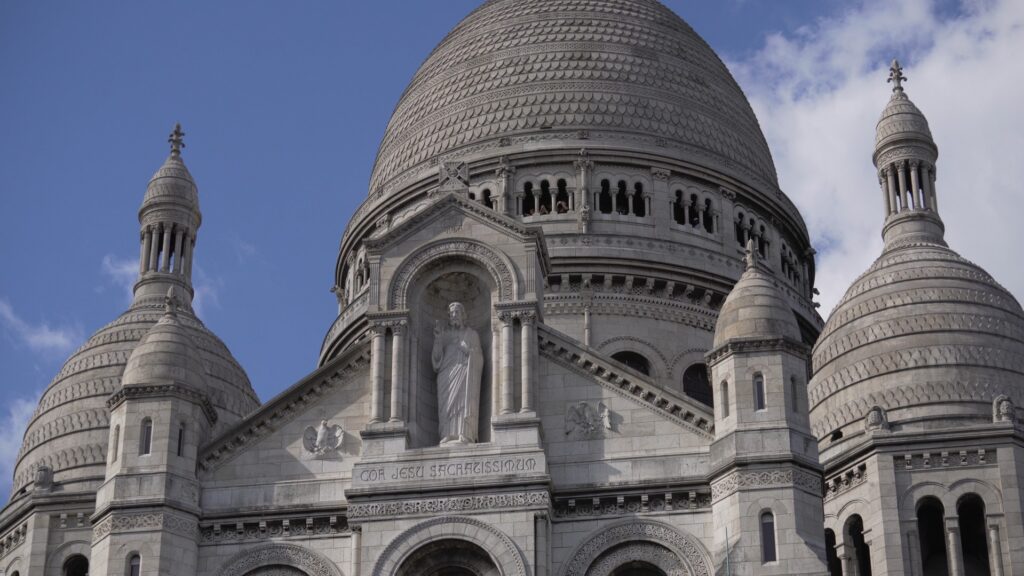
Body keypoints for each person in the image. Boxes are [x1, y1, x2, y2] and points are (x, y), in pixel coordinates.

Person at [432, 302, 483, 445]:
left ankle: (464, 433)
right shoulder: (445, 335)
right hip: (446, 375)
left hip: (465, 374)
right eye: (452, 313)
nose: (454, 315)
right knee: (447, 405)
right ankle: (447, 433)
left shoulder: (472, 335)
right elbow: (436, 359)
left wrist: (466, 350)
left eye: (457, 312)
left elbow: (478, 358)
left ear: (463, 315)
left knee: (463, 403)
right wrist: (437, 339)